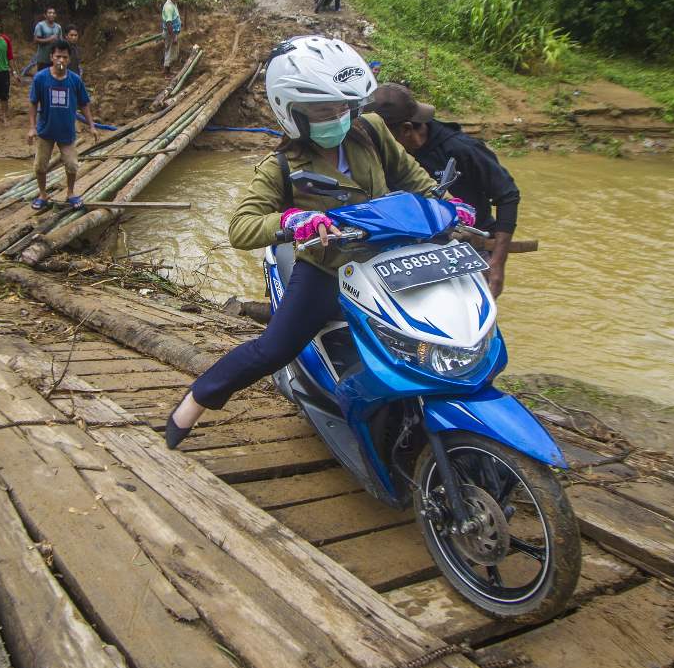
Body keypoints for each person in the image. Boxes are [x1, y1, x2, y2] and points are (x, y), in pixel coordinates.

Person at [163, 35, 476, 448]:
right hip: (327, 271)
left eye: (345, 106)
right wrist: (295, 220)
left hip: (389, 264)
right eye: (325, 110)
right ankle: (197, 399)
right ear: (292, 113)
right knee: (272, 348)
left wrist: (449, 203)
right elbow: (241, 226)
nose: (340, 117)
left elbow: (411, 177)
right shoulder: (280, 167)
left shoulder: (371, 131)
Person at [365, 82, 520, 297]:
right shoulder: (380, 156)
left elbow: (508, 195)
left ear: (407, 129)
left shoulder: (461, 149)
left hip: (469, 247)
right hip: (416, 252)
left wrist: (497, 264)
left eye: (379, 136)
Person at [27, 39, 98, 210]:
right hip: (46, 130)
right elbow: (33, 102)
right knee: (40, 165)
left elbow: (84, 103)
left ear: (69, 60)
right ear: (51, 57)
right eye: (58, 56)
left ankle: (70, 193)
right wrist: (32, 127)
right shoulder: (40, 78)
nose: (61, 60)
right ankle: (43, 194)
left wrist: (92, 125)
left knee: (72, 164)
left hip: (66, 131)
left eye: (65, 57)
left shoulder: (75, 80)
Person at [30, 6, 62, 78]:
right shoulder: (40, 25)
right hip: (43, 59)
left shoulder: (58, 27)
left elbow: (60, 41)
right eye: (49, 13)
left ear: (55, 15)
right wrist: (49, 39)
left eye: (53, 13)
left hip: (55, 59)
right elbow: (35, 40)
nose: (52, 15)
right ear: (45, 15)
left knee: (55, 77)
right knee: (42, 78)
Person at [161, 0, 182, 74]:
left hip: (172, 32)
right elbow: (168, 23)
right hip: (170, 33)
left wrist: (180, 23)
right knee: (169, 53)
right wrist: (173, 37)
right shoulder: (169, 7)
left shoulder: (173, 3)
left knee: (171, 52)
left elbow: (174, 17)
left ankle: (169, 70)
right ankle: (166, 73)